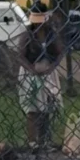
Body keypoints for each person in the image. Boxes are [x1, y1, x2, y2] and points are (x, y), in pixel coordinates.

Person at [15, 10, 66, 151]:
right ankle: (33, 142)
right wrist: (32, 70)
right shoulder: (27, 35)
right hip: (29, 72)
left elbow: (60, 52)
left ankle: (45, 141)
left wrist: (51, 68)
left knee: (47, 108)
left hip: (48, 72)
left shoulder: (51, 35)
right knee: (32, 109)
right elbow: (20, 56)